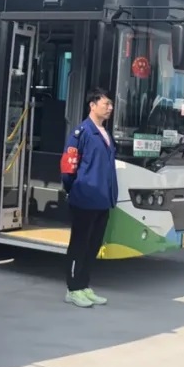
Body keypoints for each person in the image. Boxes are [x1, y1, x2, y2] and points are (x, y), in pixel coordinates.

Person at [59, 89, 118, 308]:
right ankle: (73, 288)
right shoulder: (82, 132)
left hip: (103, 199)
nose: (110, 108)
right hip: (85, 198)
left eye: (110, 104)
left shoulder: (104, 133)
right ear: (92, 105)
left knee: (93, 245)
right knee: (79, 244)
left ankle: (84, 285)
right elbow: (68, 168)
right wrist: (75, 190)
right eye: (106, 104)